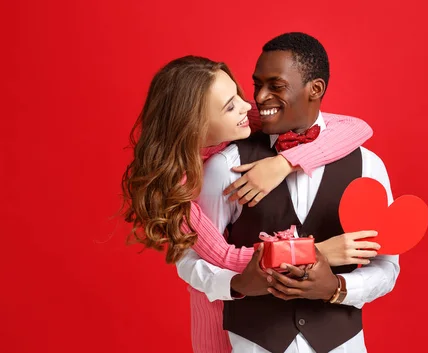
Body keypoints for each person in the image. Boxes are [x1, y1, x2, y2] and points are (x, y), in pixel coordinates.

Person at [121, 55, 381, 352]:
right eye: (230, 105)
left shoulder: (244, 124)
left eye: (238, 96)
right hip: (220, 327)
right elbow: (221, 257)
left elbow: (355, 127)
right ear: (194, 125)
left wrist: (285, 164)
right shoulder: (177, 189)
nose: (249, 105)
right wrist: (315, 252)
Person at [176, 32, 400, 353]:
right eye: (257, 85)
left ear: (315, 89)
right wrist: (237, 285)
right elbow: (192, 259)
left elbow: (387, 266)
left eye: (276, 86)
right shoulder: (227, 165)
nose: (260, 97)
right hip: (252, 343)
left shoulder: (367, 165)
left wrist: (338, 288)